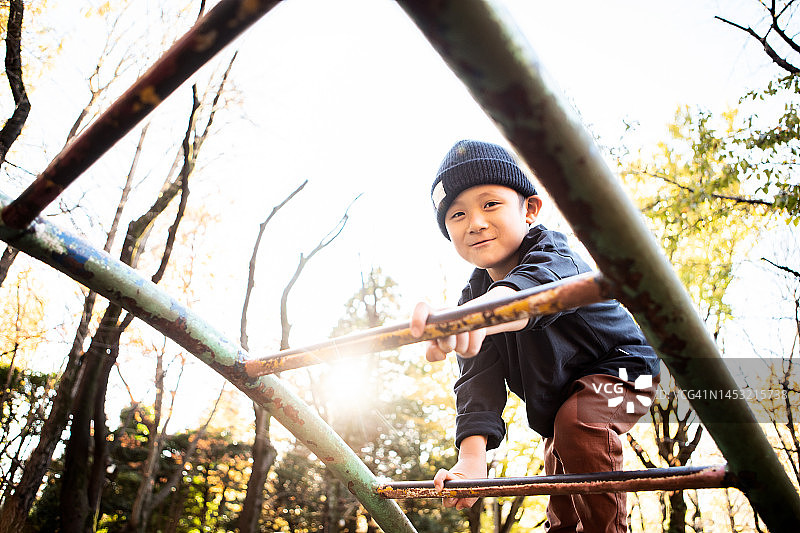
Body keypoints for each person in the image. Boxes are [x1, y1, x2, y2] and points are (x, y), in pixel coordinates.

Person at [409, 140, 660, 533]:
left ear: (529, 209)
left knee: (580, 430)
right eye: (457, 215)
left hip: (630, 372)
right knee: (562, 492)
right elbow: (478, 381)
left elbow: (536, 292)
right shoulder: (472, 301)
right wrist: (472, 459)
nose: (474, 222)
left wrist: (480, 318)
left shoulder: (553, 253)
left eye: (490, 204)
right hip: (560, 409)